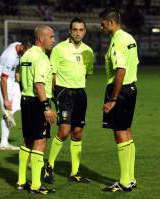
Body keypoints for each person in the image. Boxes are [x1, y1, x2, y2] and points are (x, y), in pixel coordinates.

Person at [44, 17, 94, 184]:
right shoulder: (59, 49)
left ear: (85, 32)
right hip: (64, 93)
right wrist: (55, 93)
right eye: (75, 29)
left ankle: (75, 172)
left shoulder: (88, 51)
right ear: (70, 31)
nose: (78, 33)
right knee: (64, 131)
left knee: (77, 133)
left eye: (81, 30)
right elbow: (52, 73)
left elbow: (87, 73)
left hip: (80, 94)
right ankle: (49, 166)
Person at [99, 8, 139, 192]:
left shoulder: (117, 42)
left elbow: (120, 70)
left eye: (103, 23)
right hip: (131, 89)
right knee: (127, 132)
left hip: (120, 90)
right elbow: (134, 64)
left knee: (120, 133)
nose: (101, 27)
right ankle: (130, 178)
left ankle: (124, 182)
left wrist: (113, 98)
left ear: (112, 22)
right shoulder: (130, 38)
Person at [16, 25, 57, 195]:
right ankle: (36, 185)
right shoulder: (41, 58)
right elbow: (38, 84)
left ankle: (21, 181)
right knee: (40, 142)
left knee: (28, 141)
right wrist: (46, 107)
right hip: (37, 101)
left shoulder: (26, 55)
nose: (53, 40)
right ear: (41, 38)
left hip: (25, 100)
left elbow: (18, 77)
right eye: (51, 37)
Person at [0, 42, 28, 150]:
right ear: (23, 47)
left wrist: (16, 72)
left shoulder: (17, 45)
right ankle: (3, 143)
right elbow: (3, 79)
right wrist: (6, 99)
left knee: (22, 103)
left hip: (12, 82)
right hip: (3, 83)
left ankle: (9, 116)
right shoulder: (10, 57)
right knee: (8, 110)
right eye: (27, 52)